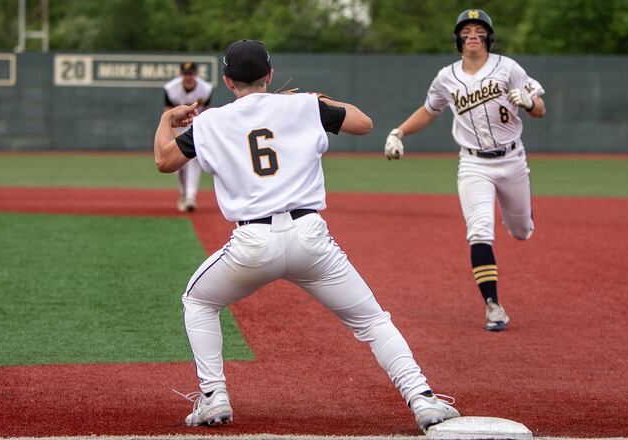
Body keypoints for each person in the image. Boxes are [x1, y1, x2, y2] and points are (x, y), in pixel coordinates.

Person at [154, 40, 459, 431]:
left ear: (228, 81)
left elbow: (164, 162)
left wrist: (167, 119)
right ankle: (423, 399)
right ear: (270, 74)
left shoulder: (210, 121)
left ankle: (214, 396)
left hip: (252, 244)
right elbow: (363, 123)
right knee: (373, 321)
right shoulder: (304, 106)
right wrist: (317, 100)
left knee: (197, 301)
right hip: (310, 237)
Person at [384, 9, 546, 332]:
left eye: (479, 30)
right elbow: (430, 111)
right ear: (458, 39)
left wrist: (527, 102)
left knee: (521, 231)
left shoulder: (508, 68)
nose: (473, 35)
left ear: (488, 37)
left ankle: (511, 211)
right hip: (473, 163)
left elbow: (540, 109)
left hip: (512, 159)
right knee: (479, 231)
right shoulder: (447, 77)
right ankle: (493, 306)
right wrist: (398, 132)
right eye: (466, 31)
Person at [163, 61, 213, 212]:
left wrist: (202, 133)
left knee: (195, 159)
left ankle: (191, 197)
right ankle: (184, 193)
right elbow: (167, 114)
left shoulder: (205, 89)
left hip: (195, 124)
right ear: (181, 74)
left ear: (196, 74)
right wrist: (174, 137)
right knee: (180, 164)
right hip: (177, 126)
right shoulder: (171, 89)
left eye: (191, 73)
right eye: (185, 74)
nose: (188, 77)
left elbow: (206, 112)